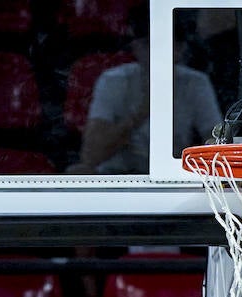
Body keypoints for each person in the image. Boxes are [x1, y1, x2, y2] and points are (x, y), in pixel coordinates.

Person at [69, 3, 221, 174]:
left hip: (173, 175)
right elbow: (90, 155)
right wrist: (144, 109)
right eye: (147, 44)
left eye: (168, 44)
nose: (155, 52)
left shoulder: (196, 83)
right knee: (78, 171)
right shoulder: (113, 81)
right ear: (135, 46)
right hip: (116, 176)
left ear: (181, 48)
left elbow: (216, 141)